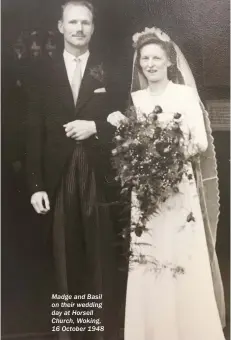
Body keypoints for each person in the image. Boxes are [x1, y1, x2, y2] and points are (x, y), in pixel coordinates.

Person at [108, 27, 226, 340]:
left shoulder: (184, 95)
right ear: (139, 64)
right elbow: (131, 144)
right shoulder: (136, 99)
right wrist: (141, 158)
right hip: (147, 193)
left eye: (156, 57)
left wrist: (167, 159)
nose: (150, 64)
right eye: (144, 58)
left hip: (178, 189)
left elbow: (198, 142)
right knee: (150, 254)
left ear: (168, 61)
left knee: (180, 253)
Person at [26, 1, 126, 339]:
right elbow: (32, 129)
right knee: (63, 257)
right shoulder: (41, 71)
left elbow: (126, 120)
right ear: (60, 26)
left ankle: (99, 334)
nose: (79, 29)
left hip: (97, 174)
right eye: (73, 22)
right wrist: (36, 184)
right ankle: (67, 334)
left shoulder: (110, 68)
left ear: (93, 28)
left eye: (85, 22)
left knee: (99, 256)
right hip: (57, 176)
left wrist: (95, 126)